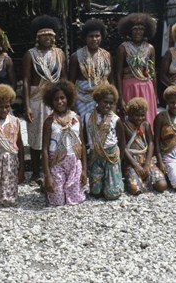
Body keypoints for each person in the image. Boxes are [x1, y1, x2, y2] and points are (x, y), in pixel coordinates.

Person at [22, 15, 67, 185]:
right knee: (36, 135)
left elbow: (63, 79)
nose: (48, 38)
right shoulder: (30, 55)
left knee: (56, 133)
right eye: (44, 35)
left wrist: (67, 101)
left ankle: (55, 169)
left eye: (51, 35)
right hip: (37, 99)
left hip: (56, 98)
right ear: (38, 37)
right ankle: (35, 173)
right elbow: (26, 80)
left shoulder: (60, 54)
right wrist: (26, 105)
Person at [41, 80, 86, 206]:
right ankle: (46, 185)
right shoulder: (49, 122)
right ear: (51, 101)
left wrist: (84, 171)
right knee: (57, 201)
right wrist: (47, 175)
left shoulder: (76, 119)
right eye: (56, 99)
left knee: (75, 199)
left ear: (68, 98)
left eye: (62, 98)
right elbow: (44, 149)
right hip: (56, 163)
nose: (60, 101)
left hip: (74, 163)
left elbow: (82, 145)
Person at [115, 13, 158, 127]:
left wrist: (155, 94)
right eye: (135, 29)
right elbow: (118, 74)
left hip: (147, 88)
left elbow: (152, 73)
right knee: (130, 117)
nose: (138, 32)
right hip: (129, 87)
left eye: (141, 29)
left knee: (147, 117)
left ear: (146, 31)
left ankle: (147, 142)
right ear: (129, 31)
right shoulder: (123, 48)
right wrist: (120, 98)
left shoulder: (150, 48)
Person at [83, 83, 125, 200]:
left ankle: (116, 180)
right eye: (105, 102)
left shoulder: (115, 120)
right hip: (95, 156)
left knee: (112, 194)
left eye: (111, 103)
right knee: (95, 192)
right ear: (97, 100)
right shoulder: (87, 117)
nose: (107, 105)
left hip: (111, 156)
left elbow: (122, 142)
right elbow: (85, 139)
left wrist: (118, 161)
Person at [122, 98, 167, 194]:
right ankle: (133, 178)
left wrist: (147, 164)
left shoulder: (146, 125)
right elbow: (123, 148)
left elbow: (151, 143)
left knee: (162, 185)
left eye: (142, 115)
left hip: (146, 159)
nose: (140, 118)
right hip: (131, 161)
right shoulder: (124, 126)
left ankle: (144, 180)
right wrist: (136, 165)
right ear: (129, 114)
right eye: (136, 115)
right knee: (135, 189)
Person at [68, 18, 112, 117]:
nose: (94, 39)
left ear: (102, 37)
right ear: (85, 37)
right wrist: (73, 106)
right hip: (82, 100)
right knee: (83, 128)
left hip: (102, 98)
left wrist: (114, 103)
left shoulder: (107, 56)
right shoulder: (76, 57)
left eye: (97, 36)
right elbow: (70, 83)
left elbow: (111, 81)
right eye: (91, 36)